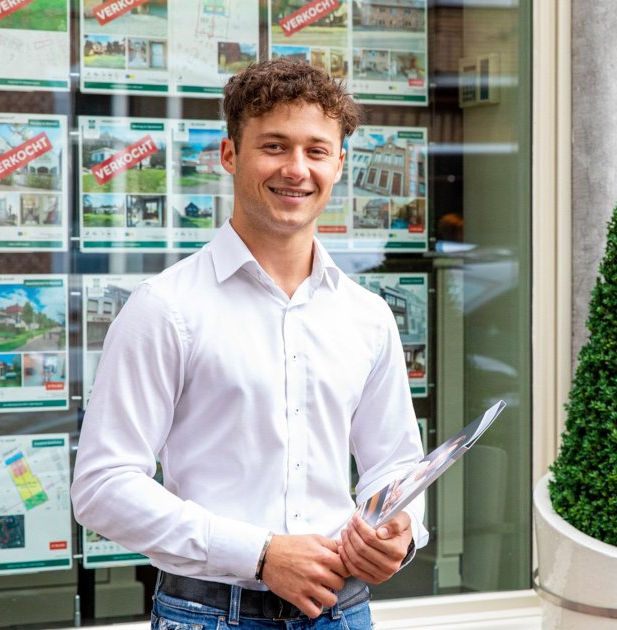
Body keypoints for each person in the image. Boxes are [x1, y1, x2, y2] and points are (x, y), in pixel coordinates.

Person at [71, 59, 427, 630]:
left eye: (316, 150)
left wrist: (398, 532)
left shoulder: (367, 316)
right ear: (230, 154)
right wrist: (259, 554)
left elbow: (397, 464)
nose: (296, 169)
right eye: (274, 146)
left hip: (343, 612)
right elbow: (102, 487)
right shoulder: (166, 308)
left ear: (339, 163)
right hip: (210, 615)